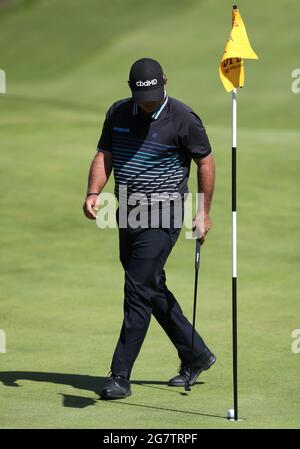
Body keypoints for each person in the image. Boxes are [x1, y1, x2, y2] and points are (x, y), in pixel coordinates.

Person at [83, 58, 216, 400]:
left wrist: (203, 211)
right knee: (149, 286)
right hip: (127, 213)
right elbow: (105, 154)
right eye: (144, 98)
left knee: (137, 291)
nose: (150, 103)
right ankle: (195, 352)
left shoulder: (183, 118)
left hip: (165, 215)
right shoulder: (118, 113)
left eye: (155, 96)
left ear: (165, 84)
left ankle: (120, 376)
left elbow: (205, 160)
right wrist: (94, 192)